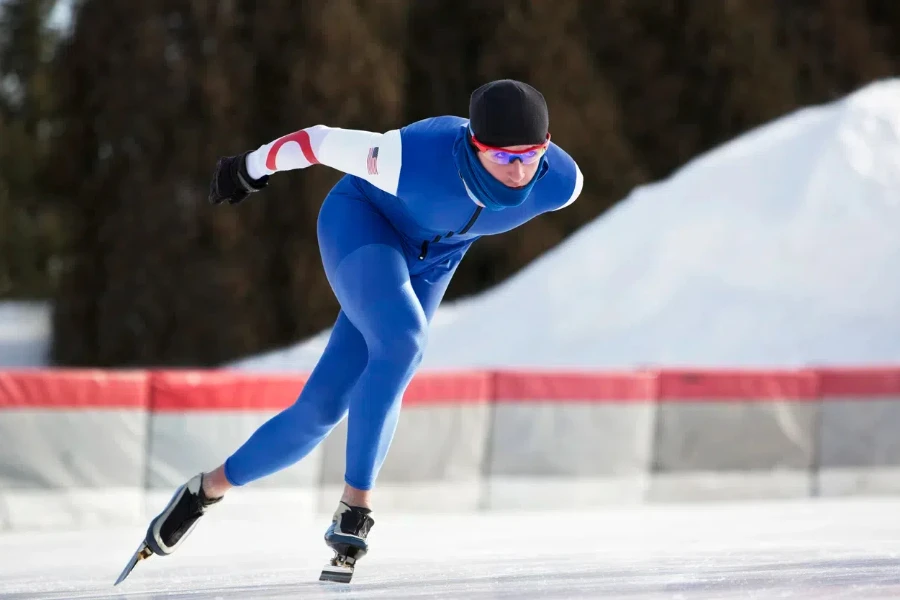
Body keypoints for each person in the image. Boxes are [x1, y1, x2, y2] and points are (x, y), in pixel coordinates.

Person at [129, 79, 583, 582]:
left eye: (531, 154)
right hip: (362, 225)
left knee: (320, 410)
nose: (520, 170)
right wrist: (248, 168)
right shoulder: (408, 157)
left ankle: (205, 490)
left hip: (435, 260)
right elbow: (317, 142)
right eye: (502, 156)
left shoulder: (560, 182)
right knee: (404, 340)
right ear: (474, 145)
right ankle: (355, 506)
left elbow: (523, 181)